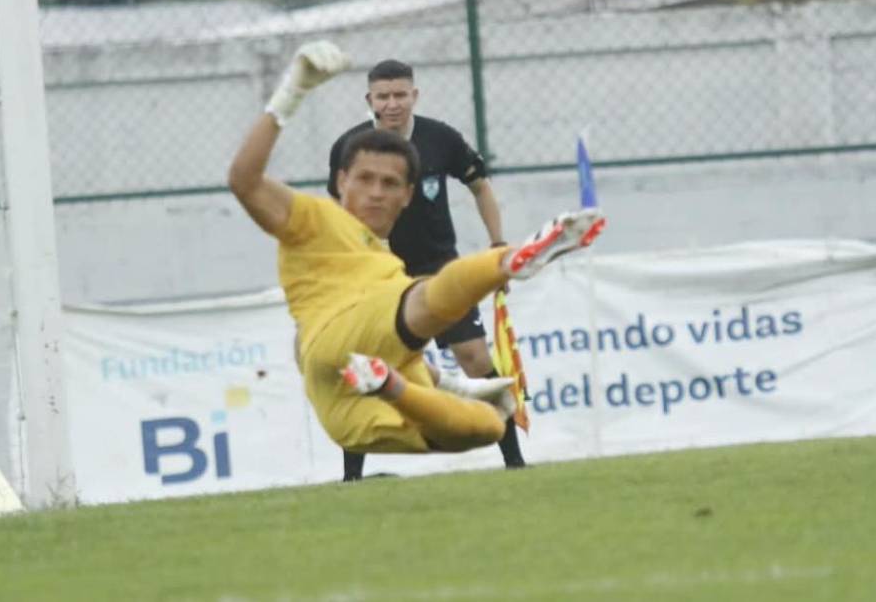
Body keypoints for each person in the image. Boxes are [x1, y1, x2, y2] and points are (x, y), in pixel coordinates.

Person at [227, 40, 605, 460]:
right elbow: (244, 180)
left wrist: (437, 387)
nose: (376, 194)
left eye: (389, 185)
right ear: (340, 180)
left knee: (480, 425)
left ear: (408, 195)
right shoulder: (317, 220)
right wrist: (292, 91)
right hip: (347, 335)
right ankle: (508, 262)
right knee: (419, 301)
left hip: (369, 410)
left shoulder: (436, 145)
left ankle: (444, 397)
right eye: (364, 180)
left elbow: (479, 185)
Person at [327, 58, 524, 480]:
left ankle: (515, 462)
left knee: (473, 358)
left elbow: (480, 186)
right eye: (384, 96)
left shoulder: (440, 139)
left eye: (401, 94)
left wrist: (497, 242)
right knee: (366, 367)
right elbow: (337, 214)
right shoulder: (350, 147)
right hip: (378, 276)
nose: (393, 103)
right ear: (370, 100)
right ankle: (351, 478)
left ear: (414, 95)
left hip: (438, 270)